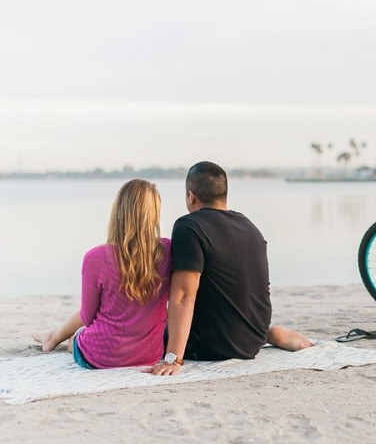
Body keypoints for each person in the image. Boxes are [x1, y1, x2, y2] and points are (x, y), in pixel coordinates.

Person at [149, 161, 311, 376]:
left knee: (146, 333)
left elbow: (184, 295)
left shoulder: (188, 226)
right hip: (252, 340)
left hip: (212, 346)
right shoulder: (249, 226)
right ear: (224, 195)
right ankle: (268, 334)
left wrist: (173, 359)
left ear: (191, 196)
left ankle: (267, 334)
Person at [33, 179, 172, 369]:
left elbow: (88, 317)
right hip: (149, 355)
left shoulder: (96, 257)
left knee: (78, 335)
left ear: (118, 211)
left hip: (99, 357)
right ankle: (52, 336)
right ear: (155, 214)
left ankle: (52, 337)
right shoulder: (169, 251)